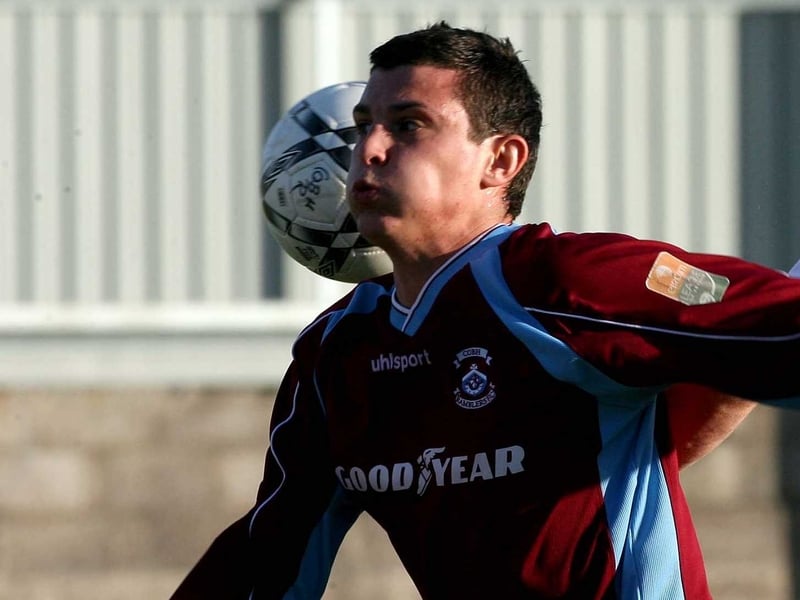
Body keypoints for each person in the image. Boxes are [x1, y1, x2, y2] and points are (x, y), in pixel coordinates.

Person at [172, 22, 800, 599]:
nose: (368, 148)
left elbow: (771, 328)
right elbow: (268, 558)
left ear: (501, 161)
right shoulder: (335, 354)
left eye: (408, 125)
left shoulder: (562, 283)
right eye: (365, 124)